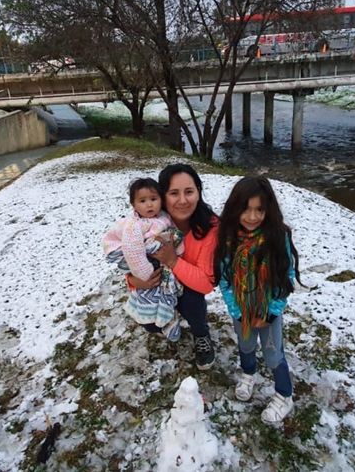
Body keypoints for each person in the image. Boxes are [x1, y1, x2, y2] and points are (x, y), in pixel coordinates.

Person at [214, 176, 305, 424]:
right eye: (246, 209)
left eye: (259, 210)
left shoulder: (277, 237)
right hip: (241, 311)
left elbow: (285, 276)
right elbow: (224, 279)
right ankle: (248, 373)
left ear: (268, 209)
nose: (252, 217)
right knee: (245, 345)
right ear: (235, 208)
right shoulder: (228, 239)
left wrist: (270, 313)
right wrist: (238, 311)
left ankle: (284, 395)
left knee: (273, 353)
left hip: (268, 311)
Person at [128, 164, 218, 370]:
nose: (183, 200)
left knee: (193, 300)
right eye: (174, 193)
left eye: (189, 192)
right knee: (149, 323)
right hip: (157, 284)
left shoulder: (210, 228)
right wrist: (133, 280)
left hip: (189, 288)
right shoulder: (148, 223)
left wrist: (173, 261)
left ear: (198, 192)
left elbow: (206, 284)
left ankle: (201, 333)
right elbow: (130, 258)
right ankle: (167, 319)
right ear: (162, 196)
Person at [103, 178, 184, 341]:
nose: (149, 205)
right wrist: (145, 275)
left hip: (165, 262)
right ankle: (160, 322)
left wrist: (178, 251)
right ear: (133, 204)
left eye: (153, 199)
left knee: (167, 293)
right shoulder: (135, 225)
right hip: (147, 268)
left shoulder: (164, 217)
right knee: (151, 299)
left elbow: (176, 234)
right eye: (142, 201)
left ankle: (167, 318)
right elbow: (133, 250)